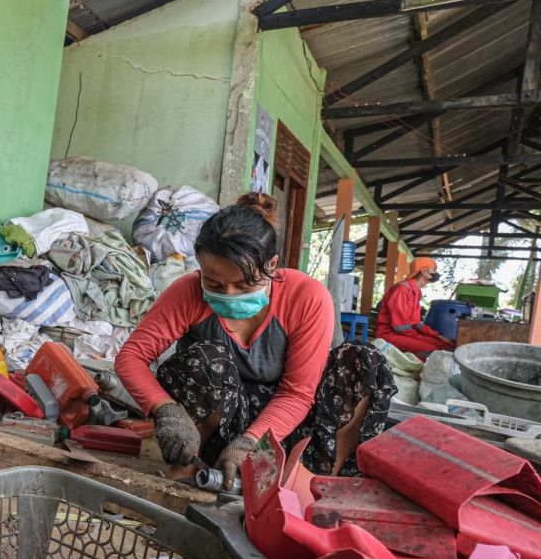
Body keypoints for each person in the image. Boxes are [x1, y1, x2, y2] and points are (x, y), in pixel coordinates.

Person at [115, 194, 397, 485]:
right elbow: (131, 357)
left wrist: (250, 442)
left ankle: (322, 481)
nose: (228, 293)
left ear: (272, 264)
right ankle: (192, 468)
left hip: (286, 428)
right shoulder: (187, 292)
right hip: (220, 428)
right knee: (204, 359)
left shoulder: (306, 297)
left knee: (366, 364)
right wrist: (166, 409)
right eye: (214, 283)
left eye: (244, 284)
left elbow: (297, 393)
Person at [375, 257, 453, 359]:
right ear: (424, 272)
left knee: (447, 346)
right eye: (434, 270)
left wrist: (438, 336)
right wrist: (419, 337)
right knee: (433, 351)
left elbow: (416, 323)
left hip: (405, 333)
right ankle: (418, 372)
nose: (436, 273)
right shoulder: (402, 289)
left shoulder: (416, 292)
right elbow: (399, 326)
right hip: (389, 334)